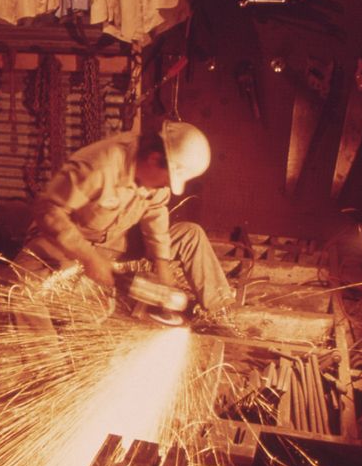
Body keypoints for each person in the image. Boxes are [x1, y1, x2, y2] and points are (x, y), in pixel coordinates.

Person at [12, 120, 239, 334]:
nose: (168, 185)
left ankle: (221, 314)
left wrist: (162, 263)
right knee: (20, 290)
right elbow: (48, 212)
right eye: (168, 179)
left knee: (191, 234)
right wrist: (89, 258)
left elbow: (155, 212)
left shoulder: (157, 175)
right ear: (153, 158)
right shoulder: (99, 166)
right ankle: (50, 368)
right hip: (63, 245)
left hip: (114, 241)